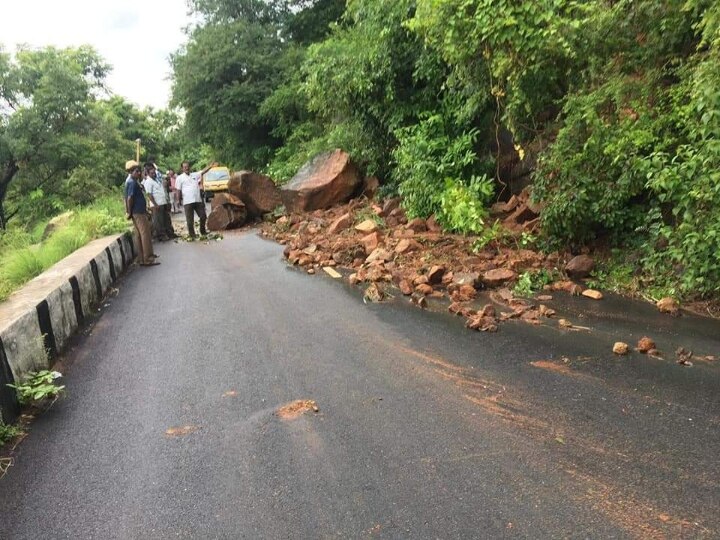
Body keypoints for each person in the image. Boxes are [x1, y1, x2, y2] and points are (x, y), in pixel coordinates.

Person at [125, 164, 159, 266]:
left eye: (139, 171)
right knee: (145, 234)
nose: (139, 173)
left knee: (139, 235)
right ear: (131, 172)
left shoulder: (133, 182)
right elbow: (129, 198)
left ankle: (141, 258)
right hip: (138, 212)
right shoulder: (132, 183)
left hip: (137, 211)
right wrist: (129, 211)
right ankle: (148, 258)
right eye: (136, 171)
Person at [175, 160, 217, 238]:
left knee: (203, 216)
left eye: (187, 166)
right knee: (190, 220)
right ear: (182, 169)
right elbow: (178, 190)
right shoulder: (179, 178)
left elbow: (203, 171)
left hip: (197, 200)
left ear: (189, 167)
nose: (186, 168)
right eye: (185, 167)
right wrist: (178, 200)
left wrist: (210, 166)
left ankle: (203, 231)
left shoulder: (194, 175)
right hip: (187, 202)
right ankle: (192, 235)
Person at [142, 163, 170, 242]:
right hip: (156, 204)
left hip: (162, 202)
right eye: (152, 173)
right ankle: (161, 236)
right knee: (158, 221)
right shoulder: (148, 182)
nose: (154, 174)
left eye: (154, 172)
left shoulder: (156, 179)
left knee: (165, 219)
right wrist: (155, 204)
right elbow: (149, 194)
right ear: (148, 173)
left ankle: (167, 233)